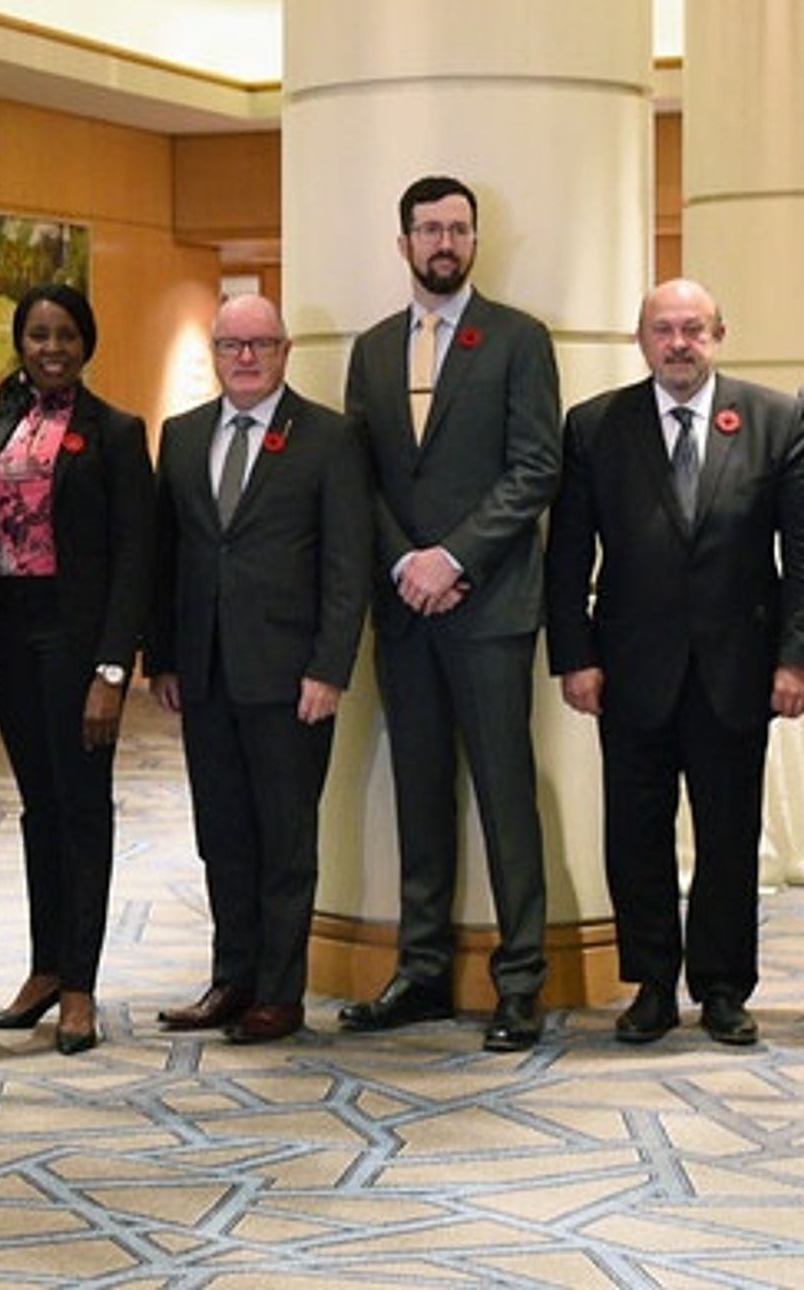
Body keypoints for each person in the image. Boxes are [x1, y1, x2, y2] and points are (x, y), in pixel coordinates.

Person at [547, 279, 804, 1046]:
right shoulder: (596, 426)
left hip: (738, 667)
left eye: (693, 328)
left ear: (719, 334)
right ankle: (652, 985)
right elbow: (566, 557)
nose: (679, 343)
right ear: (641, 340)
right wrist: (575, 656)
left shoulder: (775, 418)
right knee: (636, 833)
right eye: (664, 330)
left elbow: (801, 551)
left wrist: (795, 658)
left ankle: (723, 987)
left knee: (729, 836)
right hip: (627, 670)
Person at [341, 175, 561, 1053]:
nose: (445, 242)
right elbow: (362, 476)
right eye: (430, 229)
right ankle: (423, 973)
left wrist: (453, 557)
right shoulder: (371, 348)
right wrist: (404, 562)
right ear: (403, 244)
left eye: (459, 229)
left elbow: (535, 468)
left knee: (509, 799)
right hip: (404, 610)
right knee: (420, 794)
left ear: (476, 241)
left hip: (490, 607)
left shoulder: (517, 339)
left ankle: (521, 985)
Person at [147, 293, 371, 1044]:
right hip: (205, 675)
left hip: (292, 679)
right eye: (231, 344)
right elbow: (172, 555)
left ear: (285, 350)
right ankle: (231, 979)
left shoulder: (328, 439)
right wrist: (166, 658)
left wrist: (329, 668)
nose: (245, 357)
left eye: (260, 344)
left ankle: (279, 993)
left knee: (284, 840)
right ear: (214, 353)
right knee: (223, 837)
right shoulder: (182, 437)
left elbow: (347, 565)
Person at [0, 283, 152, 1056]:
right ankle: (44, 969)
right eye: (38, 335)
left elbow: (136, 556)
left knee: (83, 809)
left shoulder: (114, 431)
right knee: (40, 807)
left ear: (87, 342)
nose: (52, 347)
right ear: (21, 342)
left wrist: (113, 669)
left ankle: (80, 983)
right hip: (9, 637)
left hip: (78, 643)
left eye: (66, 335)